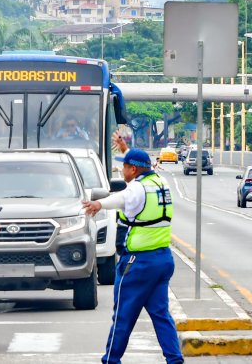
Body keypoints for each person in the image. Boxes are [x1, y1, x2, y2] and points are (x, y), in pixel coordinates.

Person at [82, 148, 183, 364]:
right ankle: (175, 360)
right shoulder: (160, 182)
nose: (121, 170)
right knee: (160, 314)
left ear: (134, 168)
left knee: (123, 315)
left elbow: (121, 198)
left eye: (124, 167)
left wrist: (99, 204)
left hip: (139, 263)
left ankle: (111, 359)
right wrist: (126, 149)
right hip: (163, 258)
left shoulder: (137, 188)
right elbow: (136, 177)